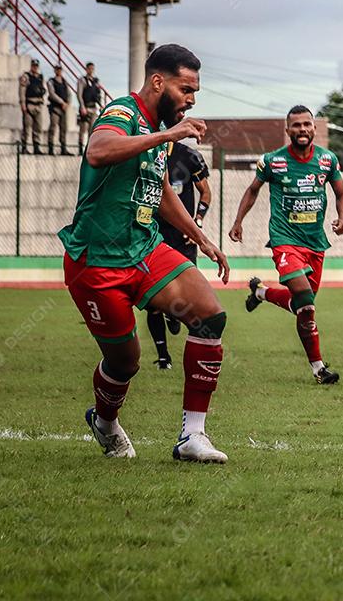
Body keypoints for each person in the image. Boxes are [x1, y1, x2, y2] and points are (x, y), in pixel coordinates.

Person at [59, 43, 231, 463]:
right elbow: (98, 151)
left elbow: (161, 191)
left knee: (209, 316)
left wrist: (201, 238)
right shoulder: (123, 111)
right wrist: (167, 134)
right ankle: (104, 421)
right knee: (125, 363)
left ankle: (192, 436)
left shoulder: (157, 130)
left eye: (195, 92)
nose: (191, 100)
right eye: (186, 89)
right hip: (97, 262)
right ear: (158, 81)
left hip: (146, 248)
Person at [229, 105, 343, 384]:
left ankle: (261, 292)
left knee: (304, 306)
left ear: (314, 128)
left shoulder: (327, 160)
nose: (302, 130)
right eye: (296, 125)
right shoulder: (273, 161)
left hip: (316, 243)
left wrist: (342, 219)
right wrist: (238, 221)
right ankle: (319, 368)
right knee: (305, 300)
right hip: (284, 241)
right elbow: (253, 190)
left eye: (307, 124)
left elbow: (341, 193)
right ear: (287, 130)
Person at [146, 137, 212, 369]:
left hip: (184, 238)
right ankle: (163, 357)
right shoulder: (144, 155)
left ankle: (173, 314)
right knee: (152, 300)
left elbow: (205, 193)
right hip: (152, 238)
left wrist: (197, 223)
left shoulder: (189, 156)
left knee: (187, 297)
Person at [18, 59, 45, 154]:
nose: (35, 67)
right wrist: (23, 104)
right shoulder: (26, 76)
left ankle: (36, 147)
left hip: (38, 105)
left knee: (38, 127)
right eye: (33, 65)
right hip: (29, 104)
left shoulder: (40, 77)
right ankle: (24, 147)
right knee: (27, 127)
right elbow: (22, 91)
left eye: (36, 66)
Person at [76, 62, 102, 155]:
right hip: (85, 107)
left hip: (93, 107)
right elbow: (79, 94)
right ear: (86, 69)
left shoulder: (96, 81)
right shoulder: (82, 80)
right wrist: (82, 106)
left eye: (92, 68)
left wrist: (101, 105)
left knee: (93, 130)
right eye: (89, 68)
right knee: (83, 129)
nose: (91, 70)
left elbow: (98, 95)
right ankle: (80, 148)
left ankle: (90, 149)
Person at [46, 64, 72, 156]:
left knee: (63, 128)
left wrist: (68, 103)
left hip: (64, 109)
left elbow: (69, 94)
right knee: (53, 127)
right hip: (55, 108)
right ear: (54, 71)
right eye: (57, 70)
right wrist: (62, 102)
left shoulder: (65, 82)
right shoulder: (51, 81)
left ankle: (63, 148)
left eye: (60, 70)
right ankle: (50, 148)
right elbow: (52, 94)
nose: (59, 71)